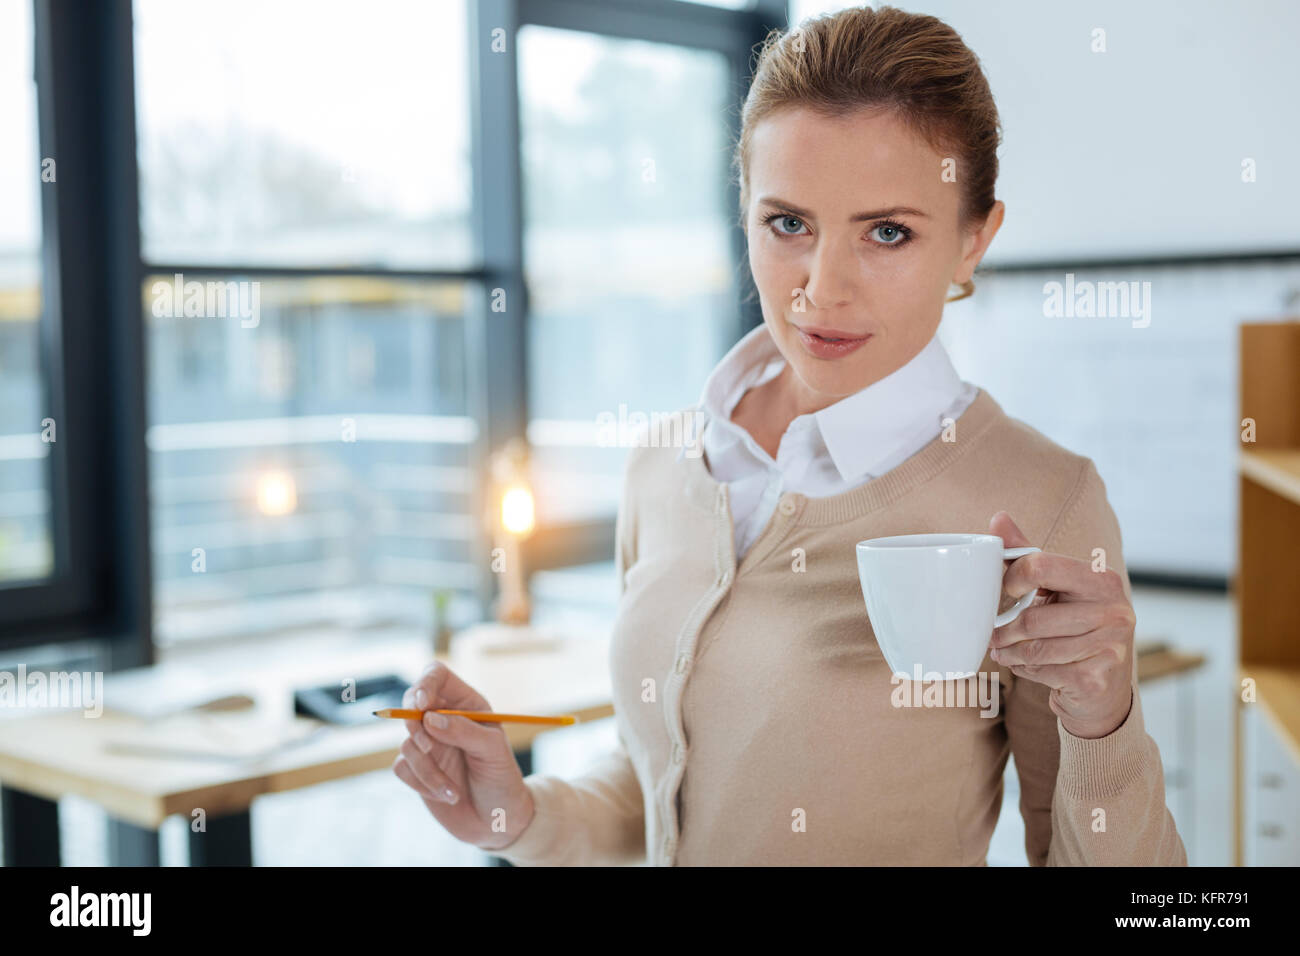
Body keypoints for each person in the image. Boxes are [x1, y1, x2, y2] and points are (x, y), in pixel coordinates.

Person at [392, 4, 1187, 866]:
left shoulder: (1044, 499)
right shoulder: (665, 461)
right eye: (789, 224)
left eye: (888, 232)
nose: (822, 289)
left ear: (973, 241)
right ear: (744, 214)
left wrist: (1105, 718)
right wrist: (518, 813)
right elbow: (656, 788)